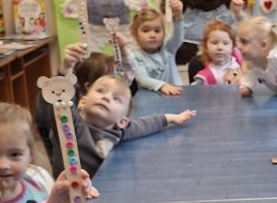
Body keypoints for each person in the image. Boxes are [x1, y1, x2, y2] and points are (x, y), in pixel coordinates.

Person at [49, 73, 195, 178]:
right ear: (82, 102)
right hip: (68, 197)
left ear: (122, 121)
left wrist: (172, 118)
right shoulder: (72, 127)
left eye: (116, 98)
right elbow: (59, 101)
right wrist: (65, 71)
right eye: (100, 91)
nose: (106, 97)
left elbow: (145, 125)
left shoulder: (118, 130)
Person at [129, 4, 184, 96]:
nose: (152, 35)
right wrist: (163, 86)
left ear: (163, 33)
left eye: (157, 31)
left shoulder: (168, 50)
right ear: (135, 34)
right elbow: (142, 79)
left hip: (176, 95)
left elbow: (178, 37)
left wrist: (178, 18)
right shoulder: (135, 56)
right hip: (149, 99)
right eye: (146, 30)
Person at [237, 17, 277, 96]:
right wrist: (245, 86)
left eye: (244, 42)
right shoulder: (255, 63)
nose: (238, 47)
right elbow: (249, 78)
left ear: (263, 45)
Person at [191, 19, 243, 85]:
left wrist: (235, 73)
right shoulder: (204, 76)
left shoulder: (238, 63)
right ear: (206, 47)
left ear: (232, 47)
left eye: (225, 43)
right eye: (214, 43)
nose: (220, 47)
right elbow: (194, 89)